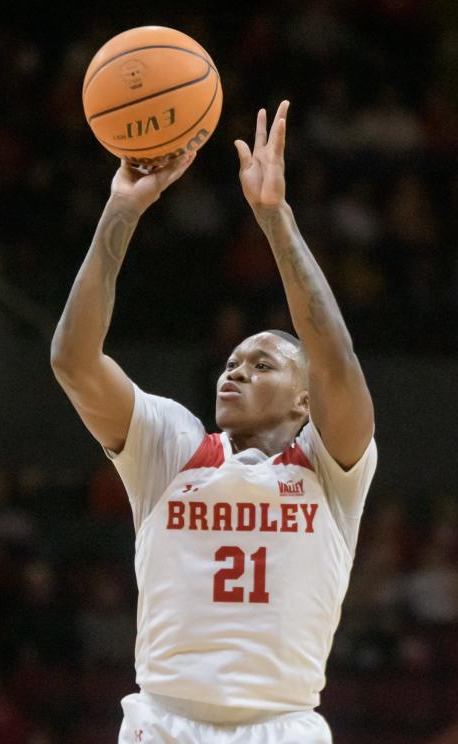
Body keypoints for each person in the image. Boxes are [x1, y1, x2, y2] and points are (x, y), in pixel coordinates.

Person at [50, 101, 376, 743]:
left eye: (262, 365)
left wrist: (276, 222)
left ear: (303, 402)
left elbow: (335, 365)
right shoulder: (172, 446)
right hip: (165, 722)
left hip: (280, 727)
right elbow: (74, 360)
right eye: (231, 362)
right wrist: (123, 210)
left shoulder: (327, 467)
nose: (235, 371)